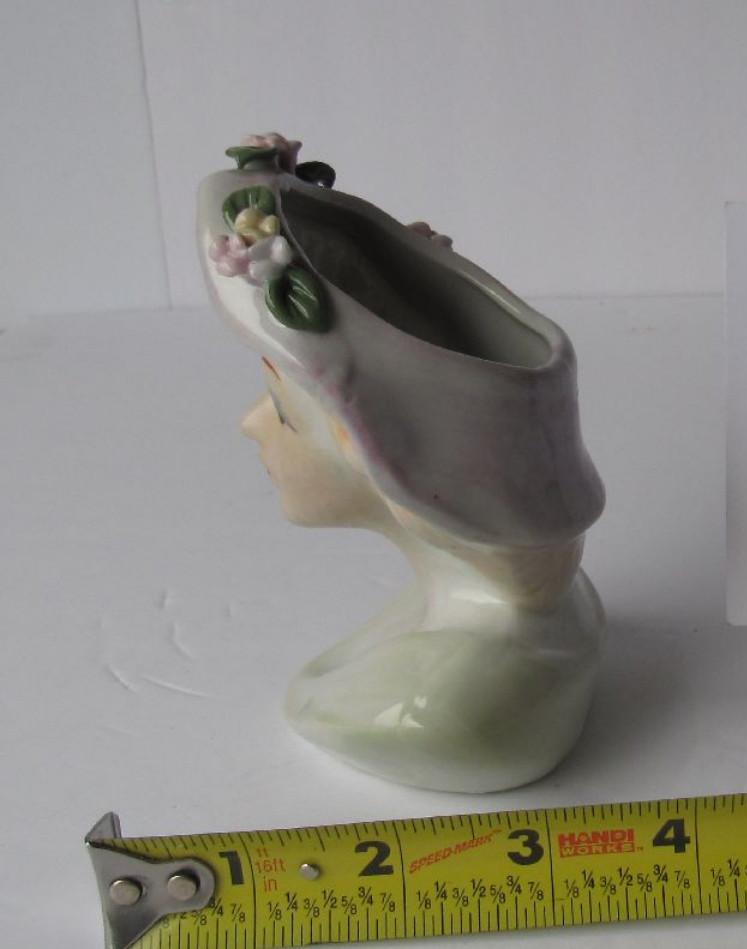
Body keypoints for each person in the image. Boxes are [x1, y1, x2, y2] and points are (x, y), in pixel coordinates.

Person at [198, 134, 605, 791]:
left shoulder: (439, 713)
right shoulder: (557, 607)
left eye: (283, 410)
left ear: (386, 463)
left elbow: (318, 705)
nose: (250, 423)